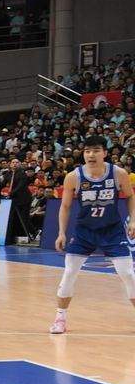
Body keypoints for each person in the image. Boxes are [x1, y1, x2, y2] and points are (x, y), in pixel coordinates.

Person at [49, 135, 135, 334]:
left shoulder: (118, 173)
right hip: (84, 231)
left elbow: (131, 196)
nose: (91, 155)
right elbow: (65, 206)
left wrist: (133, 220)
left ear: (105, 153)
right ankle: (60, 318)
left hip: (112, 231)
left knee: (127, 274)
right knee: (70, 272)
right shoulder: (74, 176)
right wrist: (61, 232)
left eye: (96, 150)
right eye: (87, 151)